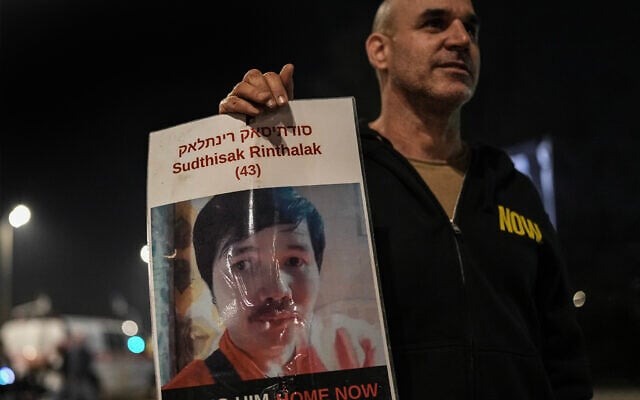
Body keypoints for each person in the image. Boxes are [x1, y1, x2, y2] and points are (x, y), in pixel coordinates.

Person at [215, 0, 594, 398]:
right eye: (435, 23)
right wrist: (250, 143)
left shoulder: (512, 188)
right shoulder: (337, 173)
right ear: (380, 50)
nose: (461, 39)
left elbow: (563, 356)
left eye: (471, 28)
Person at [162, 187, 383, 390]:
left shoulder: (358, 349)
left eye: (294, 261)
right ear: (211, 287)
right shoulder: (188, 391)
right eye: (242, 265)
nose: (278, 290)